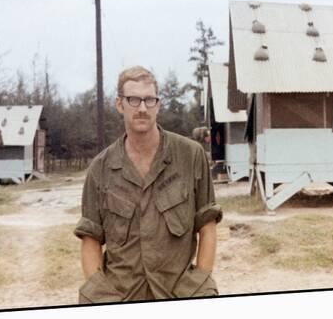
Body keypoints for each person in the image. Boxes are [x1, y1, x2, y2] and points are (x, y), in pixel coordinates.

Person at [74, 66, 223, 303]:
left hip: (178, 294)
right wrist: (100, 295)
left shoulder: (190, 156)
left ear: (158, 105)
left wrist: (199, 283)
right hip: (121, 296)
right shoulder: (100, 169)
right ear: (119, 104)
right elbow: (90, 238)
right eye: (133, 100)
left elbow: (207, 225)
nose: (142, 108)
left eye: (149, 100)